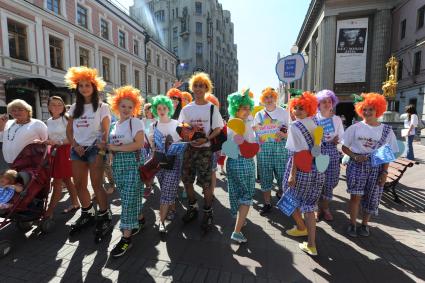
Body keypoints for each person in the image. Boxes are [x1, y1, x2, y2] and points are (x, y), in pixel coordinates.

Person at [65, 66, 112, 241]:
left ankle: (104, 215)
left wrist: (101, 145)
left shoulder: (102, 106)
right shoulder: (74, 107)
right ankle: (88, 212)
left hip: (95, 149)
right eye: (81, 85)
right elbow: (69, 130)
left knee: (97, 184)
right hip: (77, 150)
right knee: (78, 184)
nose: (84, 88)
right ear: (77, 88)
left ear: (94, 87)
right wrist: (74, 144)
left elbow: (106, 131)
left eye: (87, 85)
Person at [342, 93, 398, 237]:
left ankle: (365, 225)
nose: (367, 113)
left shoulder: (386, 130)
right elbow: (344, 147)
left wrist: (385, 172)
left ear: (378, 110)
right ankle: (352, 224)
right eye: (365, 109)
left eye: (371, 109)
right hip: (356, 166)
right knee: (355, 197)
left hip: (377, 168)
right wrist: (354, 156)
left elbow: (387, 153)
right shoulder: (354, 128)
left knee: (372, 198)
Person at [178, 72, 224, 230]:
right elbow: (181, 128)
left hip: (205, 150)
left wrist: (207, 138)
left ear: (206, 88)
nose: (198, 88)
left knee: (206, 183)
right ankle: (192, 207)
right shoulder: (187, 109)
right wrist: (189, 134)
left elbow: (218, 128)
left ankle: (208, 212)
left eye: (201, 86)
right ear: (192, 88)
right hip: (189, 149)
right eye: (196, 85)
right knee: (187, 180)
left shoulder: (212, 108)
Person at [282, 91, 325, 256]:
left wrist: (292, 174)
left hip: (300, 169)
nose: (297, 111)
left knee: (289, 197)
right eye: (295, 108)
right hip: (317, 171)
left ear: (309, 108)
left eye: (301, 108)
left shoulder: (295, 126)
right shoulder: (316, 121)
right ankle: (311, 244)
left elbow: (296, 153)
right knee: (309, 206)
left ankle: (301, 228)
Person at [107, 86, 145, 258]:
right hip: (118, 166)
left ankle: (126, 237)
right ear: (117, 106)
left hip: (133, 164)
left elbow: (138, 144)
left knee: (128, 200)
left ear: (134, 108)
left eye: (130, 107)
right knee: (130, 197)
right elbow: (110, 149)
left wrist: (114, 147)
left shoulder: (135, 122)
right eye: (123, 106)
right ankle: (140, 219)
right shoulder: (114, 125)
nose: (127, 109)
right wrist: (110, 156)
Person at [149, 95, 185, 233]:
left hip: (173, 161)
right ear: (155, 110)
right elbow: (152, 146)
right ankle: (173, 208)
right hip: (158, 162)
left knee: (165, 192)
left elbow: (183, 142)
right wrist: (153, 145)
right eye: (159, 108)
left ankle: (161, 221)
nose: (162, 110)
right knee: (166, 187)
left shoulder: (176, 124)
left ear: (169, 108)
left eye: (164, 108)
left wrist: (176, 146)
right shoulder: (154, 125)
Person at [225, 91, 256, 243]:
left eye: (248, 108)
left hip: (232, 162)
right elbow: (249, 147)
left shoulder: (232, 121)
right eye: (243, 108)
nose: (247, 111)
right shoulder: (242, 124)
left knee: (236, 192)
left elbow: (228, 148)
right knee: (246, 196)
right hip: (244, 162)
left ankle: (240, 219)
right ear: (236, 108)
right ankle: (237, 232)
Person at [254, 87, 289, 215]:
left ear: (275, 98)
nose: (269, 99)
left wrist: (284, 134)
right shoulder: (259, 114)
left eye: (271, 97)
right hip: (264, 149)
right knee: (265, 176)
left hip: (280, 148)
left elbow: (290, 130)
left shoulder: (284, 112)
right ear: (263, 100)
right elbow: (256, 131)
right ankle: (267, 203)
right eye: (266, 97)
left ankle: (281, 193)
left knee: (282, 175)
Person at [44, 96, 79, 219]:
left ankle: (49, 211)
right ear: (48, 107)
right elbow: (50, 137)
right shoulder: (48, 120)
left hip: (66, 151)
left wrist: (57, 142)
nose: (57, 107)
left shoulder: (66, 118)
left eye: (59, 104)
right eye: (53, 104)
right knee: (67, 179)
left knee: (58, 181)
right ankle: (75, 203)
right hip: (55, 152)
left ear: (63, 106)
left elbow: (73, 137)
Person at [315, 90, 344, 221]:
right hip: (318, 152)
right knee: (317, 181)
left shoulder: (337, 120)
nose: (327, 104)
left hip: (332, 152)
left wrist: (339, 140)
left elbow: (342, 136)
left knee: (330, 182)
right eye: (323, 101)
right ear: (318, 104)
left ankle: (325, 208)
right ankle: (316, 208)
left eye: (329, 101)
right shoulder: (313, 119)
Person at [0, 99, 48, 165]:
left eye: (20, 110)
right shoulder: (7, 123)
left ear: (28, 111)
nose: (16, 112)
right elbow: (2, 139)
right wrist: (1, 125)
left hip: (28, 163)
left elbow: (46, 141)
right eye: (13, 110)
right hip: (7, 162)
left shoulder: (37, 124)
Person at [205, 93, 220, 196]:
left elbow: (220, 132)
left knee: (212, 171)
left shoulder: (216, 117)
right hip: (200, 148)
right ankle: (207, 190)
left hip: (212, 148)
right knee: (204, 172)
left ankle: (212, 192)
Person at [141, 103, 156, 196]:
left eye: (149, 109)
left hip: (152, 146)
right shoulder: (142, 120)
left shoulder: (156, 120)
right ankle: (148, 185)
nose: (147, 111)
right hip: (143, 146)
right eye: (146, 109)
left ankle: (149, 184)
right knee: (145, 165)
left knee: (151, 166)